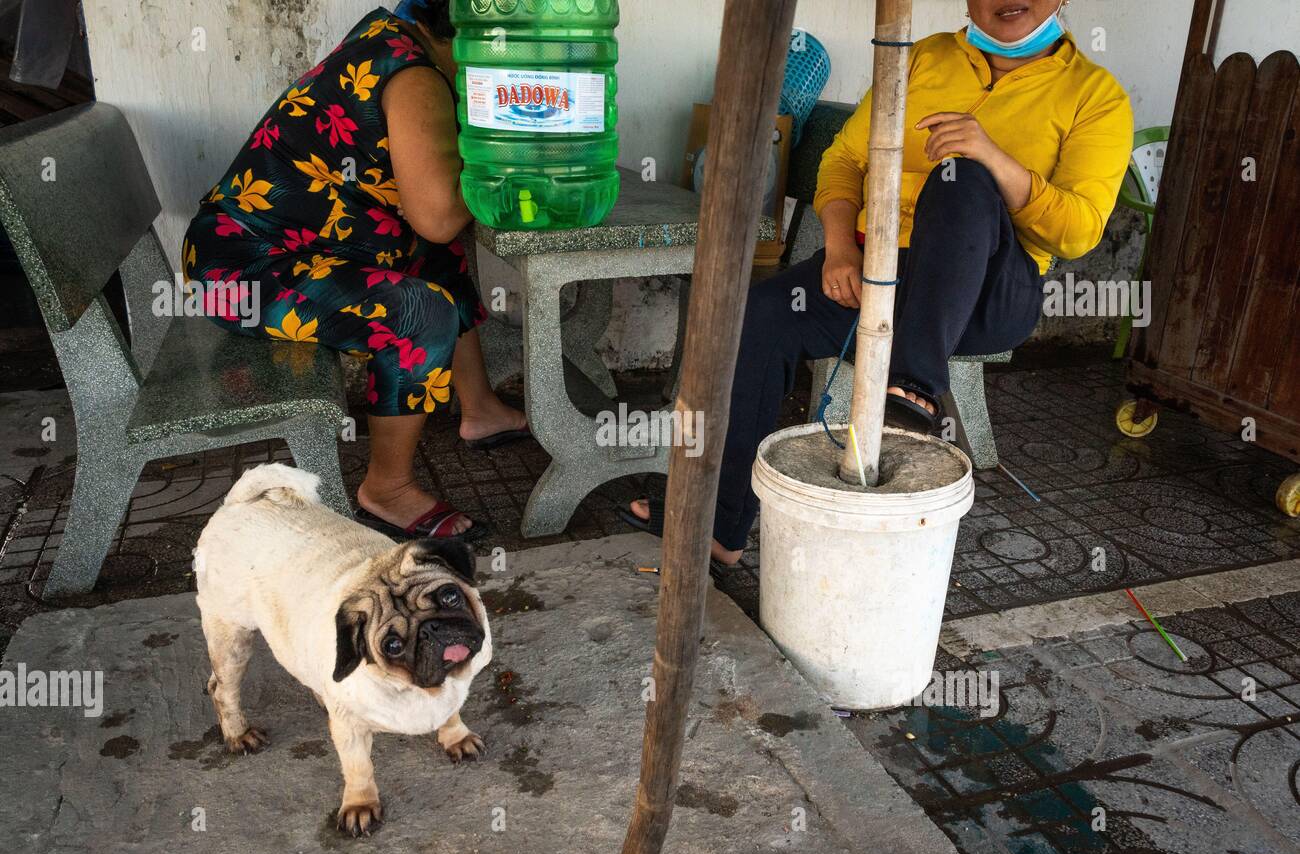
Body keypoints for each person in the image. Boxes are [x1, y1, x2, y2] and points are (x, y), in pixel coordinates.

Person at [622, 0, 1132, 569]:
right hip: (880, 269)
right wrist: (838, 249)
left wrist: (991, 156)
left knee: (961, 176)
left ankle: (913, 390)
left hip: (987, 291)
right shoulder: (924, 59)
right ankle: (720, 527)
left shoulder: (1095, 93)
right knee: (756, 317)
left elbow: (1079, 232)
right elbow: (844, 158)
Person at [182, 0, 527, 541]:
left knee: (436, 259)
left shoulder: (396, 35)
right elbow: (438, 215)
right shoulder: (413, 76)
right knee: (419, 310)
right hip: (243, 272)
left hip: (302, 247)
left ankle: (479, 408)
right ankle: (385, 488)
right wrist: (510, 152)